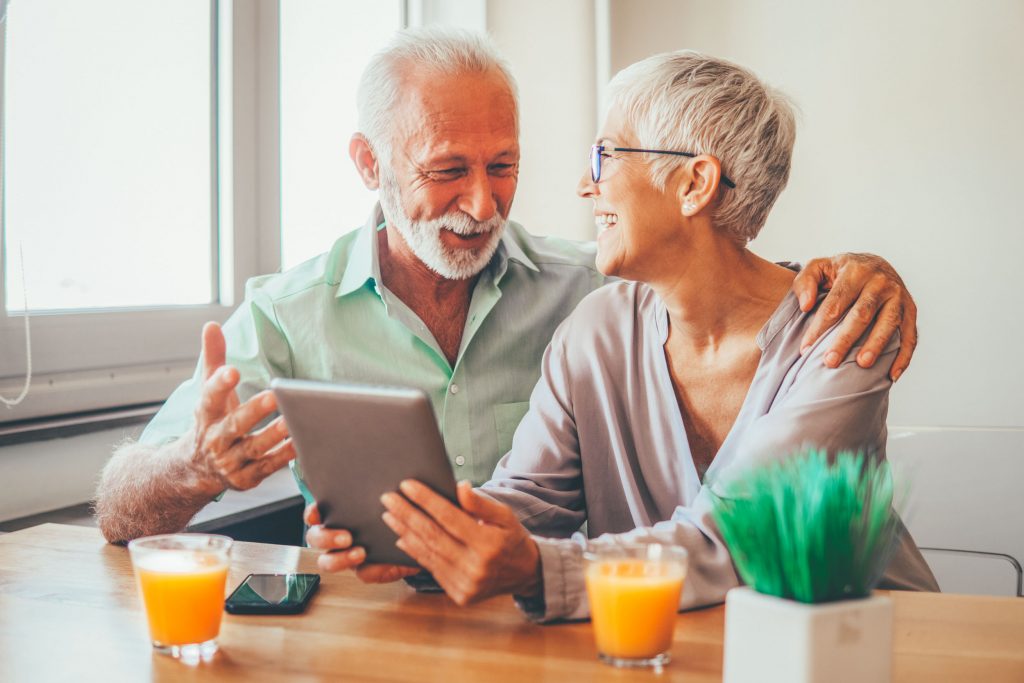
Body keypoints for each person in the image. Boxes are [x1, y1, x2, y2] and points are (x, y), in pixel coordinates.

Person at [95, 28, 918, 547]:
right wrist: (197, 468)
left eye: (504, 165)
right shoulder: (286, 314)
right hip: (431, 624)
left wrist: (858, 273)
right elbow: (117, 513)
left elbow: (717, 274)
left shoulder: (587, 290)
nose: (484, 204)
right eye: (448, 170)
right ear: (370, 165)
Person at [318, 49, 938, 618]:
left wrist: (540, 569)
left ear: (694, 184)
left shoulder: (846, 329)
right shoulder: (596, 328)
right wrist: (421, 538)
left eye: (605, 156)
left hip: (863, 647)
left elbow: (742, 543)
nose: (586, 184)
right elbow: (531, 499)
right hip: (670, 646)